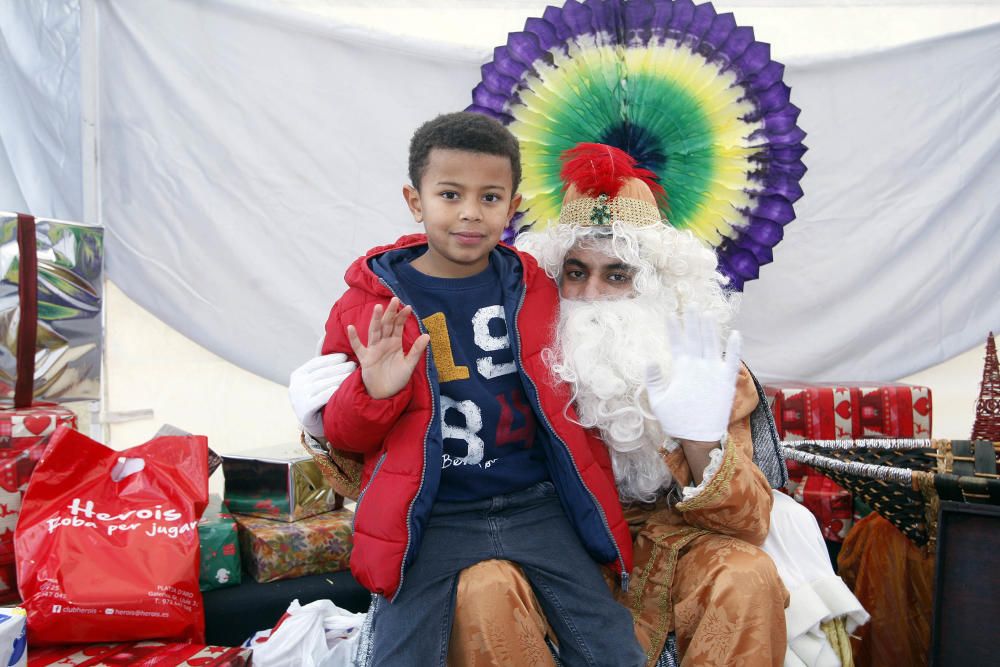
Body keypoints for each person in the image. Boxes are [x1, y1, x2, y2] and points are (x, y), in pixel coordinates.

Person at [306, 114, 645, 666]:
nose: (470, 212)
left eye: (490, 197)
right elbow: (343, 435)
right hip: (434, 513)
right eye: (449, 194)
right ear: (415, 201)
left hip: (536, 505)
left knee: (611, 646)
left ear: (512, 208)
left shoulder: (533, 284)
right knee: (397, 655)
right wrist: (374, 390)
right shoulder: (369, 305)